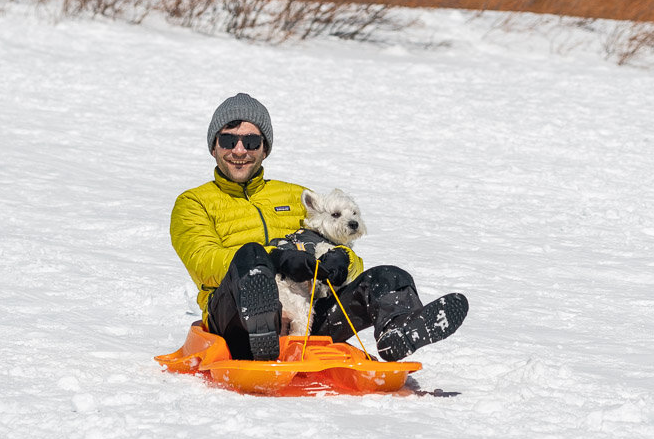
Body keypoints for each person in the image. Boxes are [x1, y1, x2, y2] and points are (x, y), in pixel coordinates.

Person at [169, 93, 468, 361]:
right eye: (228, 140)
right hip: (235, 319)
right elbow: (204, 262)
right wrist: (275, 258)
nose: (239, 150)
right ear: (213, 146)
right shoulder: (194, 202)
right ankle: (265, 329)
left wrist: (340, 262)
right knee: (250, 256)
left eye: (250, 141)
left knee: (388, 275)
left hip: (308, 318)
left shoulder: (296, 195)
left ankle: (398, 330)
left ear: (265, 148)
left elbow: (340, 241)